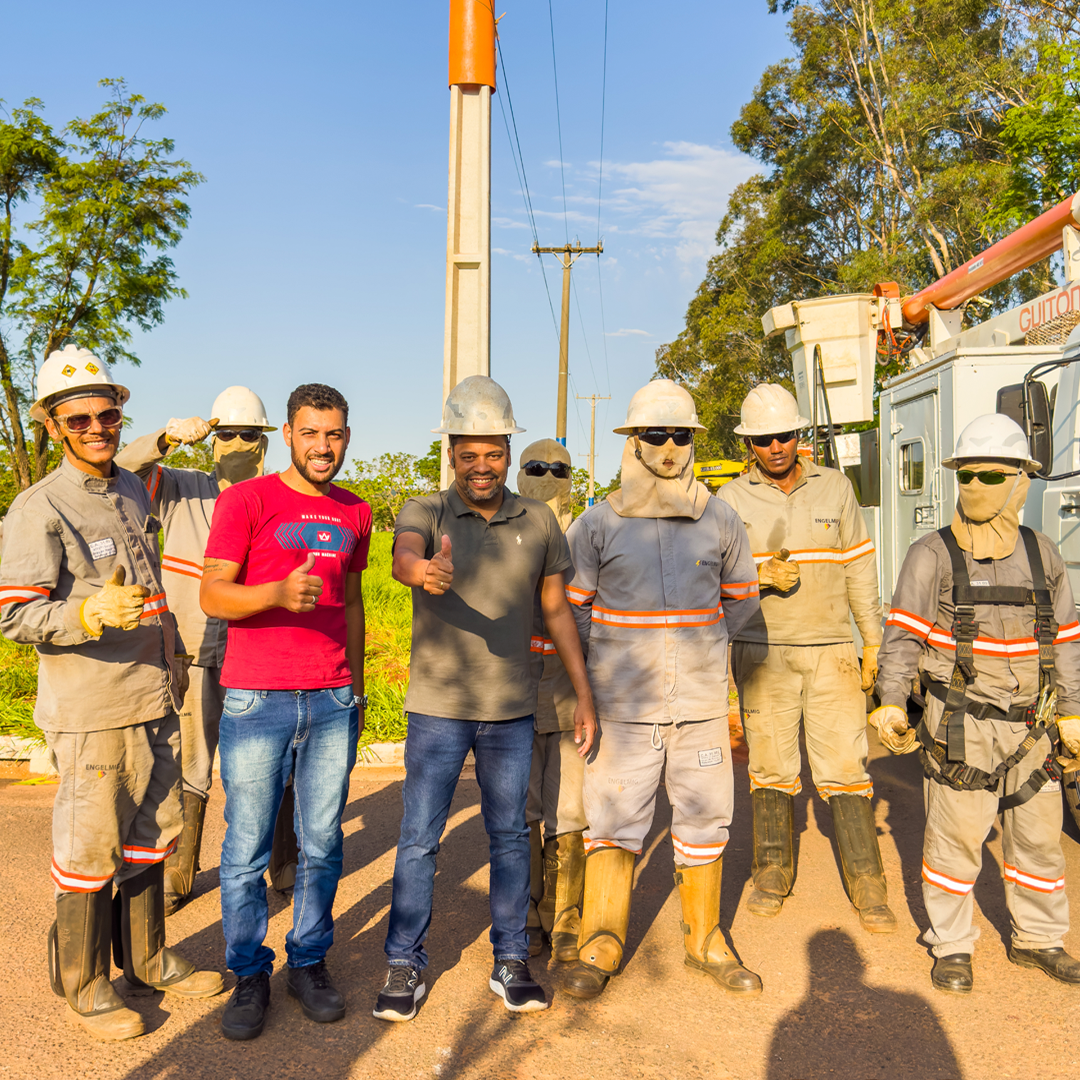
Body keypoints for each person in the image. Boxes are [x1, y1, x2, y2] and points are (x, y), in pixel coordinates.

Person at [0, 345, 223, 1041]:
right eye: (81, 418)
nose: (98, 426)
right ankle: (85, 980)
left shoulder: (126, 488)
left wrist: (176, 657)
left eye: (108, 413)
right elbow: (12, 615)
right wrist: (85, 615)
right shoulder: (39, 508)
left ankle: (148, 959)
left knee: (152, 835)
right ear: (54, 426)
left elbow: (153, 588)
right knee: (92, 844)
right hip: (93, 710)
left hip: (153, 695)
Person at [372, 376, 596, 1022]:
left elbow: (555, 611)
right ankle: (404, 962)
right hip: (439, 708)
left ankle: (510, 959)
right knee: (419, 837)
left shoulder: (541, 521)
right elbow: (403, 558)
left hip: (511, 710)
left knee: (508, 835)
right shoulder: (425, 511)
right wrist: (424, 572)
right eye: (467, 453)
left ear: (507, 448)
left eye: (492, 452)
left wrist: (584, 694)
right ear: (451, 453)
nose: (480, 465)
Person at [563, 379, 763, 1001]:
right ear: (635, 442)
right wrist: (592, 690)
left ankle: (705, 942)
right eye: (657, 435)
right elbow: (573, 615)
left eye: (681, 435)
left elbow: (743, 605)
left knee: (707, 821)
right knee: (614, 822)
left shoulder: (721, 518)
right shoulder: (598, 525)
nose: (671, 446)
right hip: (623, 711)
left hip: (700, 709)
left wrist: (706, 664)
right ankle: (600, 943)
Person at [872, 413, 1080, 994]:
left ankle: (1039, 940)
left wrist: (1072, 710)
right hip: (961, 721)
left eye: (989, 475)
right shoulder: (931, 554)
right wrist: (891, 701)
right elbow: (904, 636)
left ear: (1021, 481)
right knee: (955, 840)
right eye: (965, 475)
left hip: (1032, 728)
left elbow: (1065, 640)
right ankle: (953, 946)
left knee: (1039, 841)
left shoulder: (1044, 555)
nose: (973, 487)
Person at [200, 383, 371, 1039]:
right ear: (289, 436)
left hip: (330, 699)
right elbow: (214, 595)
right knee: (245, 850)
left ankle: (309, 961)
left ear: (346, 437)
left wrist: (352, 686)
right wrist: (274, 590)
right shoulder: (247, 500)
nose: (322, 447)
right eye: (310, 433)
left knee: (323, 845)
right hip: (255, 695)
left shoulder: (357, 511)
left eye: (334, 434)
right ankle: (248, 975)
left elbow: (351, 601)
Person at [718, 384, 896, 933]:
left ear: (799, 435)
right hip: (760, 651)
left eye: (785, 435)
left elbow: (861, 570)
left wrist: (872, 641)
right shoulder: (728, 501)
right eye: (764, 438)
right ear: (749, 443)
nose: (776, 446)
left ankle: (868, 884)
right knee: (771, 765)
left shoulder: (836, 489)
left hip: (831, 652)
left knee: (845, 765)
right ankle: (772, 871)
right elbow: (709, 579)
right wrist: (756, 577)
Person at [115, 386, 293, 915]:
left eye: (248, 434)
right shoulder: (177, 487)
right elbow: (122, 470)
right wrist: (166, 438)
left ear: (265, 442)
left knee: (269, 761)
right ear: (211, 441)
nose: (237, 442)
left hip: (255, 652)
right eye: (227, 433)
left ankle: (282, 864)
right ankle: (179, 871)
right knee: (188, 762)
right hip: (190, 650)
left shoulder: (280, 497)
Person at [517, 439, 585, 961]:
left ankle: (563, 916)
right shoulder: (508, 534)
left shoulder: (586, 536)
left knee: (569, 809)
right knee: (521, 811)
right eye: (535, 468)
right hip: (513, 695)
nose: (545, 476)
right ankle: (522, 914)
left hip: (565, 694)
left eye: (556, 469)